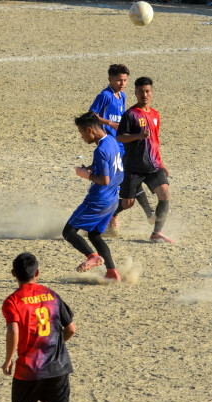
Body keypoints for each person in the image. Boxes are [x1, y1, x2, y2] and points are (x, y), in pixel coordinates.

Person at [2, 252, 93, 402]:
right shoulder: (51, 295)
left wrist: (8, 358)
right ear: (37, 273)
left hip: (29, 371)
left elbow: (13, 330)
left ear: (14, 275)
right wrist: (58, 346)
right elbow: (71, 328)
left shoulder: (12, 301)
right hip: (58, 368)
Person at [89, 63, 154, 234]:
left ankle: (112, 216)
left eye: (124, 80)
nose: (122, 83)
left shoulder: (122, 96)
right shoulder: (105, 95)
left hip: (122, 146)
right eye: (118, 80)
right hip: (110, 146)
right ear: (110, 79)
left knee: (127, 179)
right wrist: (109, 124)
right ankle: (116, 216)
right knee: (126, 180)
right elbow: (91, 115)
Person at [112, 76, 175, 243]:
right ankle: (108, 218)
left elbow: (155, 141)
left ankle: (157, 232)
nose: (144, 95)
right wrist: (138, 135)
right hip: (133, 167)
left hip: (154, 166)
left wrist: (162, 163)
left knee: (165, 194)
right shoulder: (130, 114)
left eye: (147, 91)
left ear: (152, 93)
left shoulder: (155, 114)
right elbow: (120, 137)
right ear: (135, 93)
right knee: (127, 204)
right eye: (141, 92)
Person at [62, 111, 123, 283]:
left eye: (82, 133)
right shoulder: (111, 141)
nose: (82, 137)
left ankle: (93, 257)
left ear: (90, 130)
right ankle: (112, 272)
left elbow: (104, 179)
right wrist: (90, 168)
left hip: (98, 199)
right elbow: (113, 168)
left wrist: (84, 174)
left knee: (68, 232)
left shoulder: (100, 150)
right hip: (113, 199)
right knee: (94, 235)